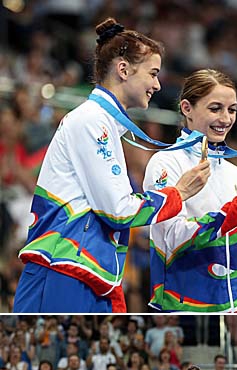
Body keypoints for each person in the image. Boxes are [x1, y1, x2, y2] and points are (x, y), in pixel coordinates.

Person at [13, 18, 210, 313]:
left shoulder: (105, 124)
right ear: (123, 69)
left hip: (86, 270)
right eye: (153, 74)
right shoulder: (92, 120)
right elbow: (118, 210)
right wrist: (177, 194)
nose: (157, 85)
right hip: (62, 268)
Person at [143, 68, 237, 312]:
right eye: (215, 108)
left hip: (234, 303)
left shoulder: (235, 172)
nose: (226, 119)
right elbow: (172, 239)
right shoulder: (165, 163)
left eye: (232, 110)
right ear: (187, 108)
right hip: (183, 303)